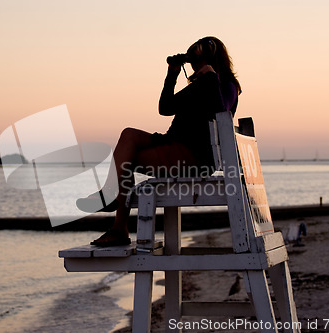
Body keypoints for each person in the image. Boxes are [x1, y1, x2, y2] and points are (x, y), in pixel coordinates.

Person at [77, 36, 241, 246]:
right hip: (174, 145)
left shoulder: (227, 85)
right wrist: (171, 76)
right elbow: (165, 108)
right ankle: (117, 223)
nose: (195, 67)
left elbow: (220, 113)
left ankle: (117, 221)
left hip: (193, 156)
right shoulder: (199, 86)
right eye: (192, 63)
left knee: (127, 155)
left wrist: (211, 78)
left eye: (198, 61)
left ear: (212, 59)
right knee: (127, 146)